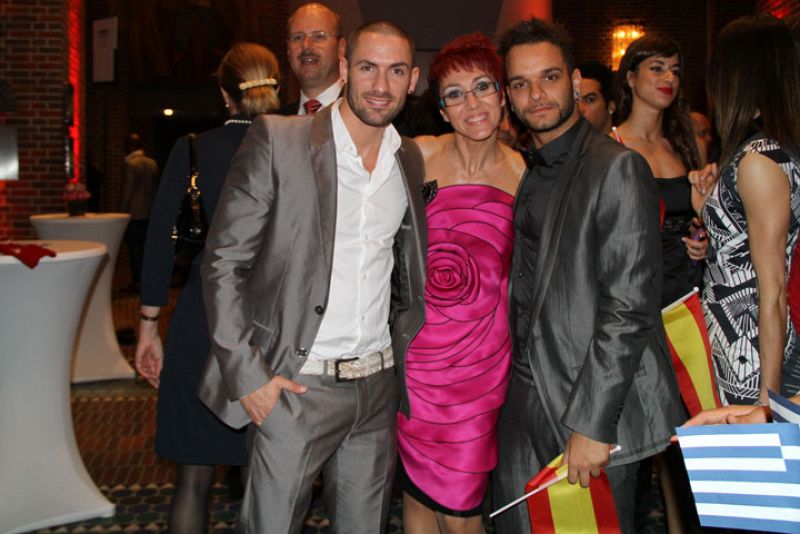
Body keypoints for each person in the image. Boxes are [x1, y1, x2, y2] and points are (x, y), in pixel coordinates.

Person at [198, 20, 426, 534]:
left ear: (413, 80)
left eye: (396, 72)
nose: (380, 86)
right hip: (296, 388)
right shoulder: (281, 139)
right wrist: (247, 376)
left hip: (376, 388)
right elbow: (223, 260)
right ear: (345, 68)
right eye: (368, 67)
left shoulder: (407, 158)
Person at [492, 19, 684, 533]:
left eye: (549, 78)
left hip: (587, 403)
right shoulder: (531, 168)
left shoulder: (616, 167)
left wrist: (593, 424)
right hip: (523, 395)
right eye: (520, 83)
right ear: (508, 96)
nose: (536, 94)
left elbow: (629, 308)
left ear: (575, 82)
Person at [134, 42, 281, 534]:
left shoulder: (194, 147)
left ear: (225, 94)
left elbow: (160, 243)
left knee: (193, 478)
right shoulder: (298, 144)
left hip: (202, 320)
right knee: (270, 482)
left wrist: (149, 327)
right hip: (271, 325)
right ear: (275, 87)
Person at [396, 33, 525, 534]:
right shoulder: (417, 156)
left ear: (502, 95)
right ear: (442, 111)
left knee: (462, 504)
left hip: (483, 367)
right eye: (454, 94)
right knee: (418, 496)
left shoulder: (526, 174)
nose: (471, 102)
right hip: (415, 356)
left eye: (482, 87)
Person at [695, 14, 800, 407]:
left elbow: (772, 290)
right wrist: (708, 211)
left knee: (748, 467)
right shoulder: (764, 152)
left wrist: (766, 403)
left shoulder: (759, 160)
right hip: (737, 341)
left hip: (751, 351)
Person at [613, 33, 706, 308]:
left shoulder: (690, 145)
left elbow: (700, 217)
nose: (669, 79)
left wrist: (703, 239)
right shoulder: (609, 148)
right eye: (657, 68)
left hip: (687, 291)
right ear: (630, 77)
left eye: (675, 71)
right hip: (634, 293)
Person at [279, 2, 344, 115]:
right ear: (288, 50)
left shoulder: (362, 114)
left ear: (341, 48)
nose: (306, 46)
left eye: (318, 36)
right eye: (298, 37)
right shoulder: (275, 123)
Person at [121, 133, 158, 291]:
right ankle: (148, 278)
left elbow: (128, 192)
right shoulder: (152, 163)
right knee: (145, 248)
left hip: (134, 213)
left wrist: (122, 212)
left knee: (134, 249)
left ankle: (138, 281)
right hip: (149, 211)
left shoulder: (131, 164)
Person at [576, 61, 615, 135]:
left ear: (611, 106)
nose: (580, 109)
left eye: (589, 100)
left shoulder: (627, 144)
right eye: (575, 100)